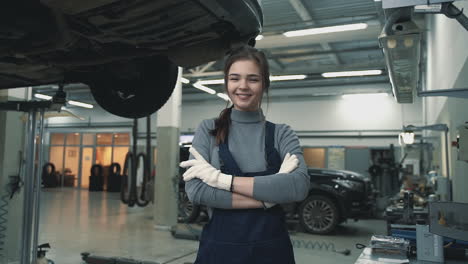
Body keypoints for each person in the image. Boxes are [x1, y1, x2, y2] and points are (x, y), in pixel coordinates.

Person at [180, 45, 310, 264]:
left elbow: (298, 187)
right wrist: (269, 198)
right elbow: (197, 191)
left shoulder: (281, 133)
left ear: (264, 84)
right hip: (219, 252)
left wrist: (220, 180)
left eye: (252, 79)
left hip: (272, 252)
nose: (242, 86)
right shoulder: (208, 130)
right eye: (234, 78)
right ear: (226, 83)